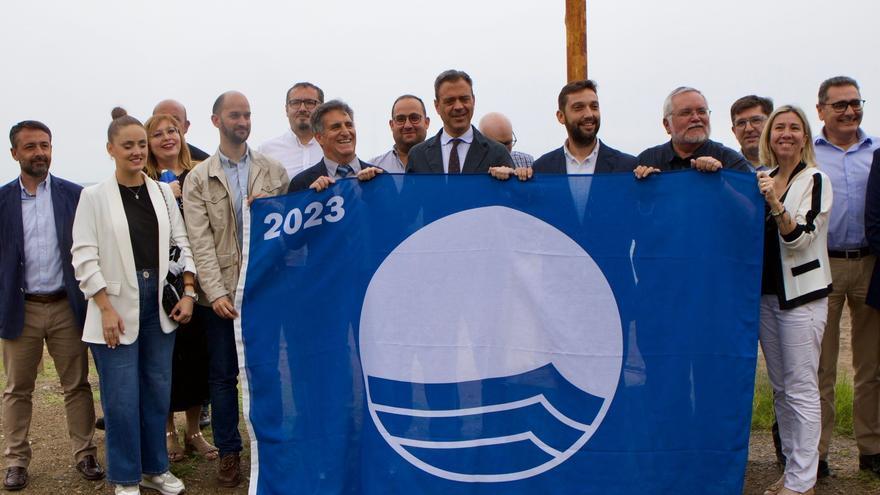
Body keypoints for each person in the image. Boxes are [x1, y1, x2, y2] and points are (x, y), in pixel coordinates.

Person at [72, 108, 195, 495]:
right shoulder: (92, 197)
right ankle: (125, 476)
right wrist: (105, 308)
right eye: (128, 145)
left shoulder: (161, 192)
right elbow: (83, 256)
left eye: (141, 144)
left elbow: (181, 244)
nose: (137, 151)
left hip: (159, 305)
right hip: (113, 307)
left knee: (157, 392)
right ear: (111, 149)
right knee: (121, 398)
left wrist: (189, 292)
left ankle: (155, 468)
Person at [183, 91, 289, 487]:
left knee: (271, 373)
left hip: (265, 293)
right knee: (223, 377)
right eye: (234, 115)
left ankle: (274, 447)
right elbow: (200, 240)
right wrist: (217, 292)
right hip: (221, 298)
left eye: (247, 115)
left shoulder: (273, 171)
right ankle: (229, 452)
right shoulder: (199, 177)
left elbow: (287, 234)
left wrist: (269, 208)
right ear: (216, 121)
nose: (242, 121)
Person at [0, 120, 104, 491]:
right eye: (30, 147)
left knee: (76, 385)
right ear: (14, 153)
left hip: (66, 305)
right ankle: (15, 460)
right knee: (17, 388)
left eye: (45, 145)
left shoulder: (74, 195)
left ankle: (85, 453)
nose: (39, 152)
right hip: (20, 306)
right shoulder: (2, 201)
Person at [756, 105, 833, 495]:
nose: (786, 134)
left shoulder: (815, 179)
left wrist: (775, 203)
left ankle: (804, 481)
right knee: (781, 390)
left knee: (802, 388)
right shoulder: (764, 176)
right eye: (779, 128)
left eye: (794, 128)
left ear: (805, 136)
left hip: (802, 298)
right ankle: (792, 469)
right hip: (767, 296)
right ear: (770, 135)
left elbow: (800, 238)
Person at [813, 76, 880, 477]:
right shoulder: (810, 152)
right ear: (821, 109)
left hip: (871, 264)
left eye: (855, 102)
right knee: (820, 365)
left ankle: (871, 448)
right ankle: (817, 453)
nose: (850, 111)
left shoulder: (876, 152)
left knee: (871, 364)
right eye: (840, 105)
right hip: (824, 265)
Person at [143, 113, 217, 463]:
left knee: (196, 358)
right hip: (158, 283)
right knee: (164, 359)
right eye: (156, 134)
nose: (166, 138)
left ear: (182, 134)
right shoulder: (141, 179)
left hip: (198, 281)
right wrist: (162, 194)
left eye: (171, 131)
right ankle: (168, 431)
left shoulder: (199, 173)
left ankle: (195, 430)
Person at [406, 70, 521, 180]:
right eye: (450, 101)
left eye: (464, 99)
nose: (458, 107)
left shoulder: (497, 153)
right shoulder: (417, 156)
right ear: (437, 106)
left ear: (473, 101)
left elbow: (511, 197)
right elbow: (408, 199)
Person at [634, 86, 751, 178]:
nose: (696, 118)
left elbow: (748, 206)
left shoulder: (730, 160)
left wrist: (720, 178)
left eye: (701, 111)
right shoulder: (648, 160)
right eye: (686, 113)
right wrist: (644, 185)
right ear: (667, 125)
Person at [533, 79, 637, 174]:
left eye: (594, 107)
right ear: (561, 116)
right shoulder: (541, 169)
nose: (589, 114)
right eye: (578, 108)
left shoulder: (628, 167)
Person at [288, 100, 383, 193]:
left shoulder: (380, 177)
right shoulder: (301, 184)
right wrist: (311, 198)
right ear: (319, 138)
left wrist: (375, 190)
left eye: (349, 125)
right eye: (336, 127)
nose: (346, 132)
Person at [258, 82, 325, 178]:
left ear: (322, 109)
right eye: (295, 103)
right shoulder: (266, 152)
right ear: (286, 109)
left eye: (310, 103)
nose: (302, 108)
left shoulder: (333, 148)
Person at [370, 94, 431, 173]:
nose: (407, 125)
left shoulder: (443, 162)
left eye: (414, 118)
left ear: (427, 122)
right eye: (400, 119)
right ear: (391, 125)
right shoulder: (373, 167)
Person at [730, 95, 774, 172]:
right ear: (734, 131)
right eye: (741, 123)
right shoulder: (726, 168)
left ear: (771, 124)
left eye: (756, 120)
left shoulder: (789, 167)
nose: (748, 129)